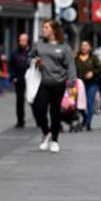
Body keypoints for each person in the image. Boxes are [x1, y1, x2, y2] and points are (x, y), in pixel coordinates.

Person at [31, 20, 76, 153]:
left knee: (55, 113)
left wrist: (72, 83)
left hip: (59, 83)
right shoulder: (39, 44)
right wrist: (35, 60)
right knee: (39, 108)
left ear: (53, 30)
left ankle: (55, 140)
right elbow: (31, 56)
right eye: (43, 27)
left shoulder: (64, 47)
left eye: (46, 27)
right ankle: (46, 133)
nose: (43, 29)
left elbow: (70, 65)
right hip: (44, 82)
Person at [75, 40, 101, 131]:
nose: (84, 47)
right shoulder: (76, 58)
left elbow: (100, 69)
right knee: (79, 103)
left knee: (90, 102)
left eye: (86, 45)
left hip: (91, 83)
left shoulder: (94, 58)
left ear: (90, 47)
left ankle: (88, 123)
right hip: (79, 83)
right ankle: (84, 118)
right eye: (82, 45)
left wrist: (93, 72)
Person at [9, 33, 32, 128]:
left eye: (23, 40)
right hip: (19, 79)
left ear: (27, 41)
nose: (21, 42)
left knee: (34, 100)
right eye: (20, 40)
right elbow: (11, 66)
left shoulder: (32, 52)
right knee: (19, 100)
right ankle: (20, 120)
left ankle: (39, 119)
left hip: (31, 79)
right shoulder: (15, 53)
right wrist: (13, 76)